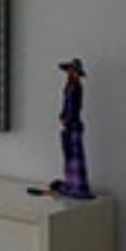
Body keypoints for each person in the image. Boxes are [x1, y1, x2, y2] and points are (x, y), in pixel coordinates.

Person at [50, 58, 93, 199]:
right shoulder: (69, 86)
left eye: (74, 71)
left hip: (73, 124)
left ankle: (78, 187)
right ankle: (71, 184)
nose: (71, 72)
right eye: (70, 70)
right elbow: (66, 105)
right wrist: (62, 115)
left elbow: (76, 107)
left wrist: (68, 118)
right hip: (69, 124)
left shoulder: (77, 87)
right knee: (69, 156)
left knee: (75, 156)